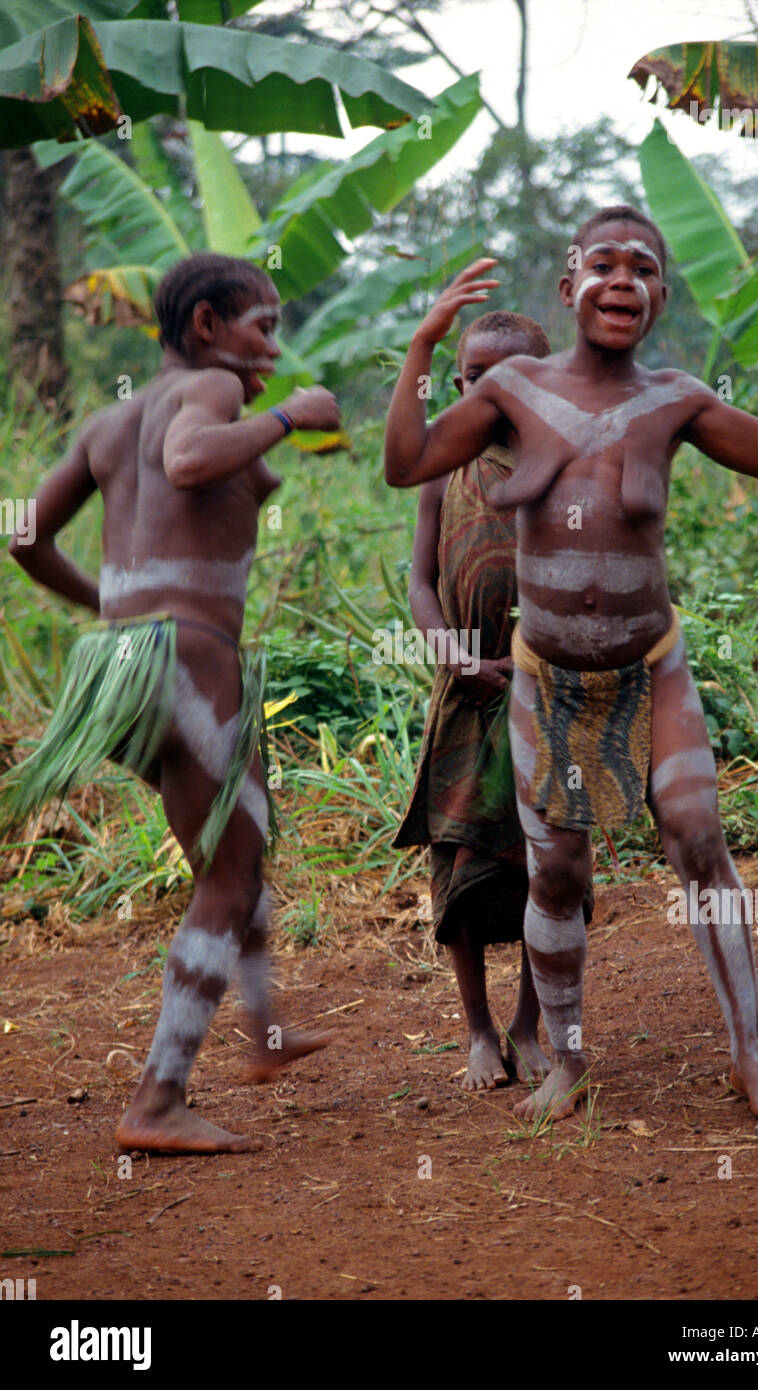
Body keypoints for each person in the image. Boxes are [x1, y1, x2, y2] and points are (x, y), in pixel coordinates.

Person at [385, 215, 758, 1124]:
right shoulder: (514, 388)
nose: (622, 278)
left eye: (643, 268)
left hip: (651, 665)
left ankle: (749, 1056)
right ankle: (564, 1061)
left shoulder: (674, 398)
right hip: (549, 678)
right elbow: (407, 462)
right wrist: (420, 345)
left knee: (698, 839)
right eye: (602, 263)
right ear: (569, 291)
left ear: (659, 299)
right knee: (554, 874)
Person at [3, 252, 340, 1153]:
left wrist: (113, 605)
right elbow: (190, 462)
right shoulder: (218, 396)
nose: (272, 346)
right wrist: (285, 417)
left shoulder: (107, 420)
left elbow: (23, 534)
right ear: (205, 329)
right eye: (262, 327)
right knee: (227, 874)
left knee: (240, 836)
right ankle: (157, 1100)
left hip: (118, 662)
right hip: (188, 657)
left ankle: (264, 1032)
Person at [395, 295, 562, 1091]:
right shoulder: (441, 468)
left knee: (546, 865)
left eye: (502, 378)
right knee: (458, 864)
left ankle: (531, 1026)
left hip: (547, 688)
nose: (482, 393)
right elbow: (421, 582)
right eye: (468, 378)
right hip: (466, 691)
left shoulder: (558, 463)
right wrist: (456, 656)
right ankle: (476, 1029)